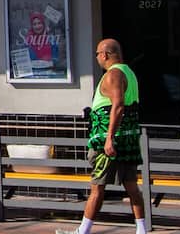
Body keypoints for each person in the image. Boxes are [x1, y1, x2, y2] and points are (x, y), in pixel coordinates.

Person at [67, 39, 148, 234]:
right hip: (128, 138)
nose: (97, 58)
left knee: (97, 186)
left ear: (104, 54)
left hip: (108, 140)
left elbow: (118, 105)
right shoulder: (130, 73)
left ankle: (83, 231)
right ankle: (141, 230)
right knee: (131, 186)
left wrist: (109, 137)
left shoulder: (113, 74)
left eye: (97, 54)